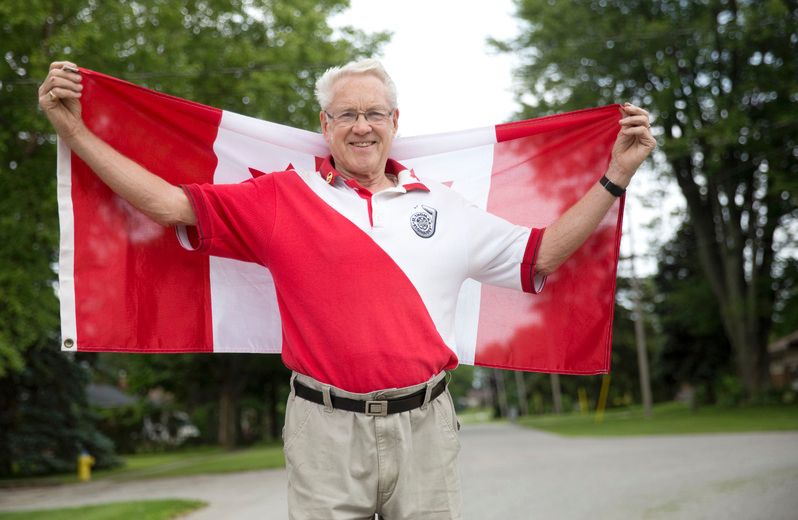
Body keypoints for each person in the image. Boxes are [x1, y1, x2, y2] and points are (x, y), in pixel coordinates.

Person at [40, 58, 655, 519]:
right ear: (325, 124)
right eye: (347, 115)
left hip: (426, 426)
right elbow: (171, 205)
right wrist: (75, 131)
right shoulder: (281, 196)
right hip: (324, 428)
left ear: (395, 122)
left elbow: (541, 254)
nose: (361, 127)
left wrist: (616, 176)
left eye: (374, 114)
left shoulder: (447, 207)